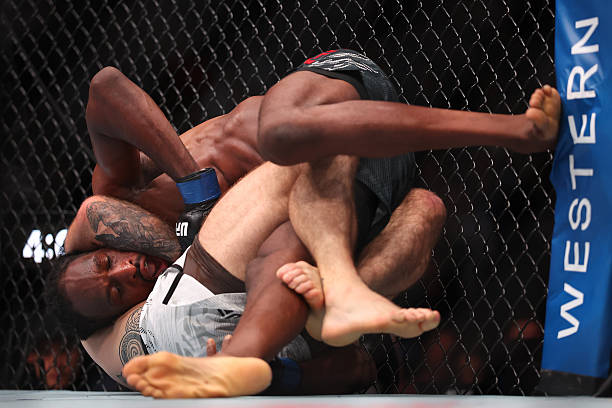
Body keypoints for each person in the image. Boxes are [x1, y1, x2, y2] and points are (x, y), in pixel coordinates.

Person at [48, 49, 560, 397]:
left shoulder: (129, 196)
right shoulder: (192, 271)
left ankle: (513, 131)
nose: (127, 271)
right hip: (346, 195)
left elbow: (106, 88)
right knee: (425, 209)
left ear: (100, 245)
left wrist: (195, 187)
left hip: (330, 100)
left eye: (107, 262)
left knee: (283, 136)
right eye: (117, 292)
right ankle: (341, 290)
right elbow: (356, 367)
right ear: (125, 310)